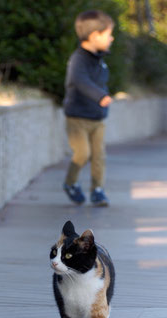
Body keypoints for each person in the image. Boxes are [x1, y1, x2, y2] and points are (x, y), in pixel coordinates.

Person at [62, 10, 114, 207]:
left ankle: (97, 190)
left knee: (99, 155)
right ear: (94, 36)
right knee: (83, 153)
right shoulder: (78, 59)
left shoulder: (99, 59)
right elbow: (79, 80)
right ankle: (70, 183)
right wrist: (100, 96)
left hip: (97, 119)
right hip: (77, 118)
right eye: (108, 34)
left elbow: (101, 81)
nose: (112, 38)